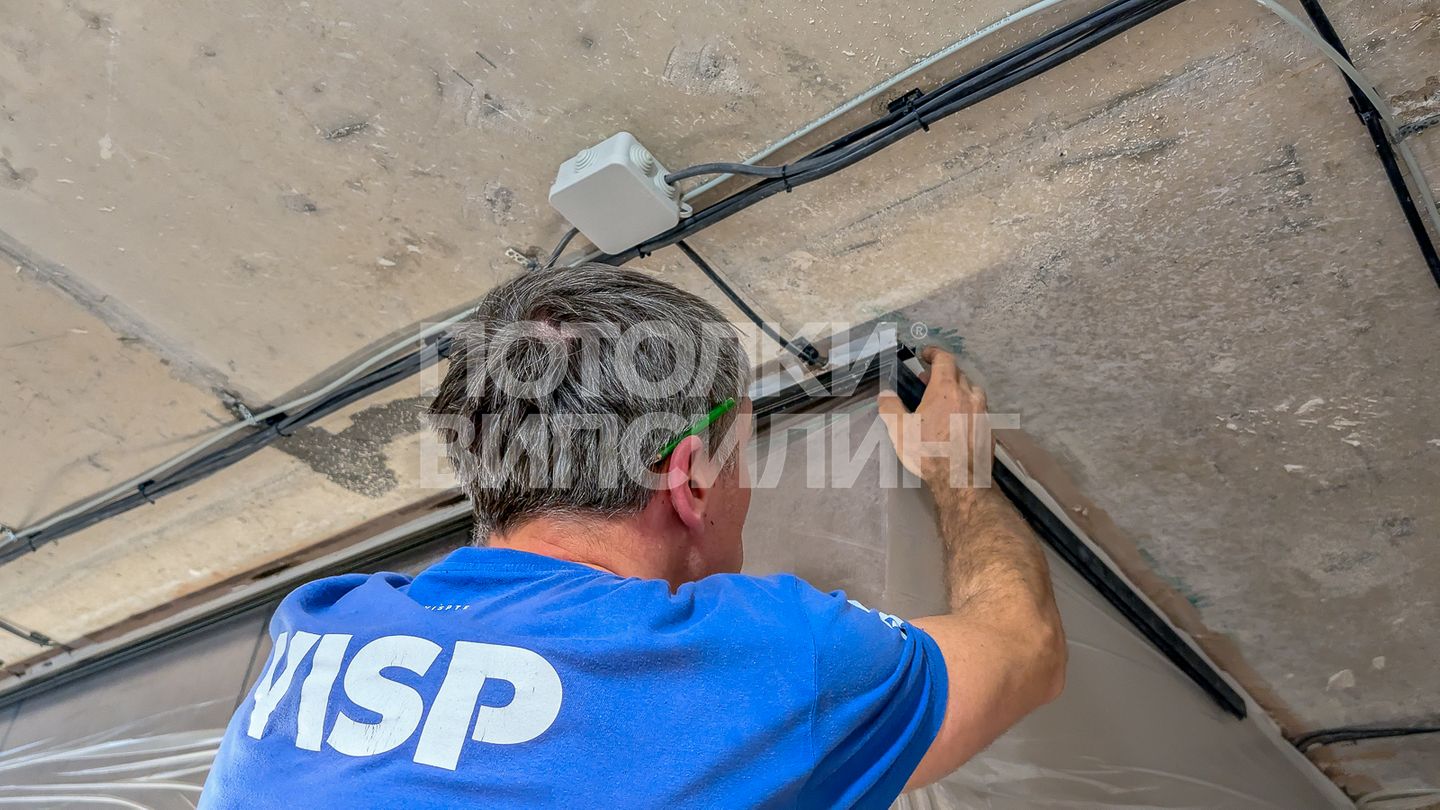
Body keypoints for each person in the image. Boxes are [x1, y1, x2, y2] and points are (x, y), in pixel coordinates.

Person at [200, 264, 1065, 808]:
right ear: (690, 481)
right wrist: (958, 474)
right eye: (742, 451)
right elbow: (1023, 649)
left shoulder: (317, 629)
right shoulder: (765, 660)